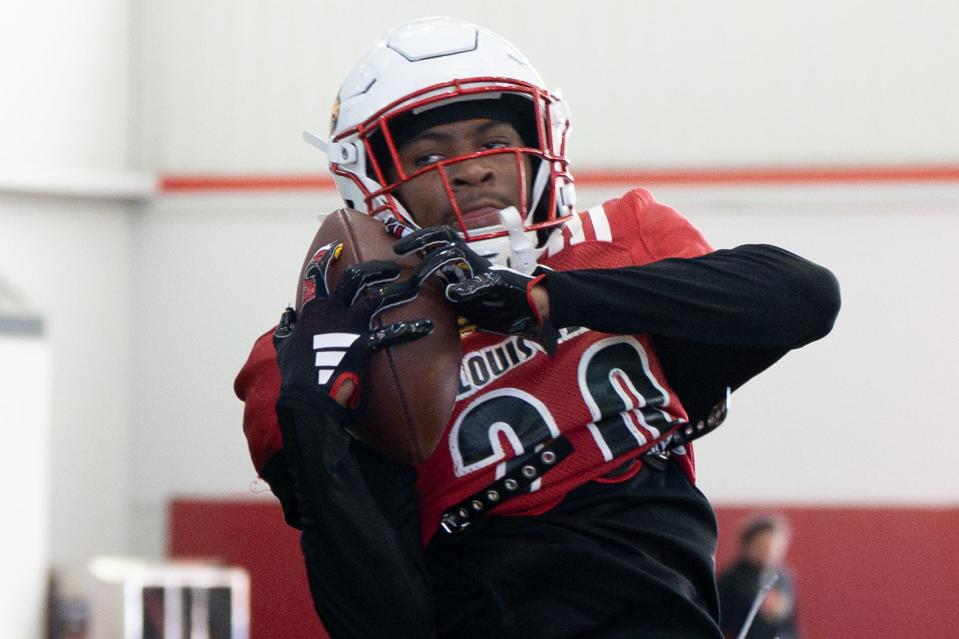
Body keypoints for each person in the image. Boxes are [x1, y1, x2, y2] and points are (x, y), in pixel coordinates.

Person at [234, 16, 841, 639]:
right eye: (431, 154)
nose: (470, 170)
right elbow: (382, 623)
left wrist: (548, 297)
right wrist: (313, 419)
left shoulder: (618, 243)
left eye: (493, 140)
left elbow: (806, 296)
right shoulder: (323, 343)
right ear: (371, 178)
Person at [718, 515, 801, 639]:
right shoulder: (730, 579)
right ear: (748, 545)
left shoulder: (784, 577)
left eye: (775, 546)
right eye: (764, 545)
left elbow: (791, 625)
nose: (770, 551)